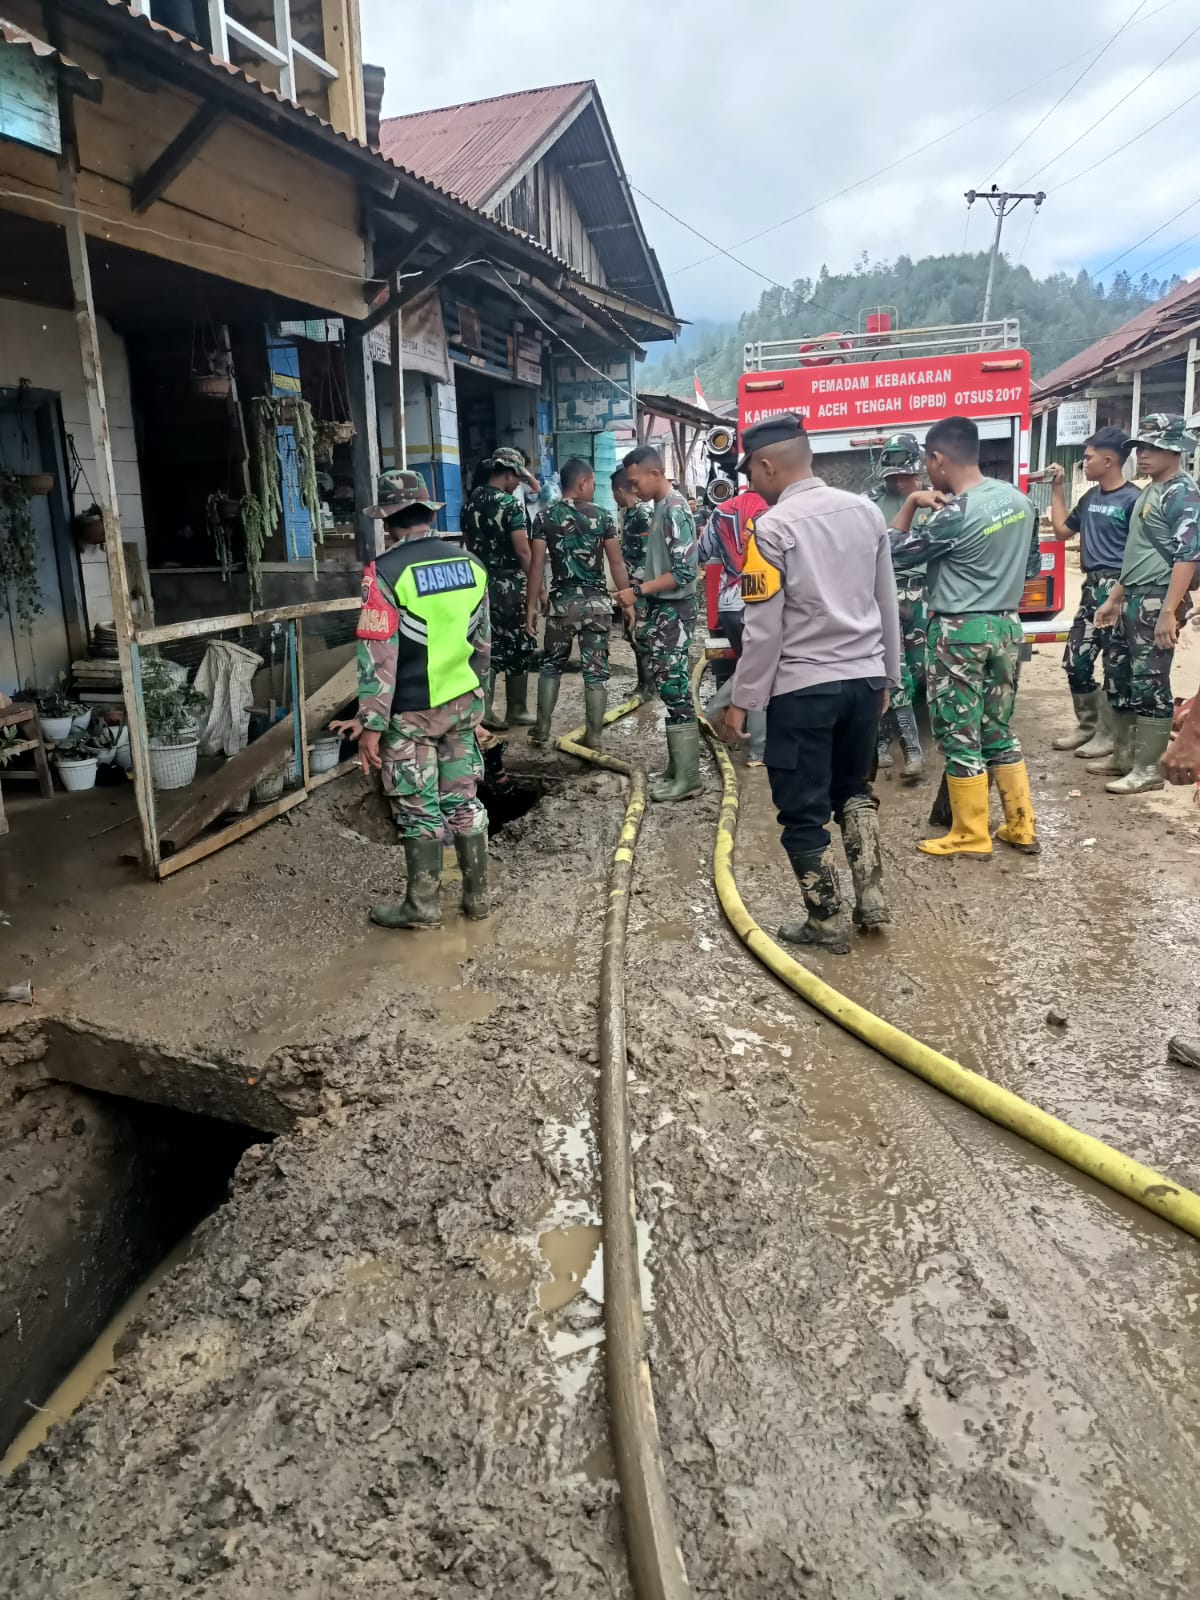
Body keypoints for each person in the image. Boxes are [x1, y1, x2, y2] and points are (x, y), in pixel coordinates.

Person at [725, 414, 902, 953]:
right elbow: (885, 600)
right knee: (854, 791)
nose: (752, 484)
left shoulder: (773, 528)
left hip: (803, 690)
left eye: (752, 474)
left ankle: (826, 921)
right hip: (864, 681)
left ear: (767, 464)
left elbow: (763, 627)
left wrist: (743, 700)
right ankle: (870, 897)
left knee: (802, 809)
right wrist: (887, 674)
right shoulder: (866, 511)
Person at [333, 470, 490, 931]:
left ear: (388, 520)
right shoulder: (471, 565)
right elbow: (483, 645)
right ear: (426, 512)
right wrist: (478, 705)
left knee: (418, 808)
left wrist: (371, 726)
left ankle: (422, 908)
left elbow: (378, 657)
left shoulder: (384, 573)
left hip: (411, 713)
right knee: (463, 801)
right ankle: (477, 899)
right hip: (462, 703)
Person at [889, 415, 1041, 857]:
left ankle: (971, 833)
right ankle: (1020, 826)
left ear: (937, 459)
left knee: (958, 733)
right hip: (1007, 628)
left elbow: (891, 553)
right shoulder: (1019, 501)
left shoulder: (955, 512)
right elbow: (1031, 568)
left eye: (926, 462)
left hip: (960, 631)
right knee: (998, 730)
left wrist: (912, 505)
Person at [1091, 415, 1200, 794]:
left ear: (1175, 450)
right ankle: (1124, 756)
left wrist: (1169, 611)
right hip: (1135, 593)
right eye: (1141, 447)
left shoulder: (1182, 494)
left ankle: (1149, 769)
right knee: (1123, 673)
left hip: (1158, 596)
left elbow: (1188, 555)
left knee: (1151, 680)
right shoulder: (1151, 491)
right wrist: (1113, 599)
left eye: (1154, 447)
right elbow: (1136, 555)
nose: (1144, 454)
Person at [525, 457, 631, 750]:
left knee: (550, 666)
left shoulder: (545, 517)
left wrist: (531, 606)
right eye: (594, 483)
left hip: (562, 607)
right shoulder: (604, 517)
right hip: (597, 606)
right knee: (595, 671)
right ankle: (594, 736)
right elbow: (617, 562)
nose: (595, 489)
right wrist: (628, 600)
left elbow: (536, 568)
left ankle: (542, 729)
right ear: (582, 483)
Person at [615, 445, 702, 801]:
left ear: (655, 473)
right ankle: (677, 768)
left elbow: (684, 571)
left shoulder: (675, 510)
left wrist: (639, 591)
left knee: (675, 686)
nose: (633, 489)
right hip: (662, 608)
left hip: (674, 607)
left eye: (636, 482)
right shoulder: (660, 509)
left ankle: (690, 778)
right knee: (668, 684)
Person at [1045, 427, 1138, 756]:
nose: (1084, 462)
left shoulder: (1134, 501)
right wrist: (1057, 489)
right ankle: (1087, 726)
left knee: (1116, 666)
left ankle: (1109, 735)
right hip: (1091, 587)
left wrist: (1119, 596)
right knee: (1076, 660)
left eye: (1088, 457)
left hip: (1119, 587)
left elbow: (1138, 556)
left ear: (1109, 460)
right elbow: (1060, 532)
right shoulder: (1089, 498)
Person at [460, 445, 540, 730]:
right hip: (509, 583)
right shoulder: (509, 505)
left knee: (485, 644)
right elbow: (524, 552)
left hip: (479, 584)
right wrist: (537, 587)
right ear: (506, 473)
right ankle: (517, 708)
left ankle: (486, 710)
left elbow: (469, 546)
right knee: (518, 642)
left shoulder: (469, 503)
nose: (518, 482)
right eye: (516, 476)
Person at [868, 432, 927, 780]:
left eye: (902, 474)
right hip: (887, 593)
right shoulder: (872, 504)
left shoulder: (933, 501)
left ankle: (892, 733)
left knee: (918, 671)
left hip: (923, 595)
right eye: (891, 475)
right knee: (891, 670)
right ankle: (902, 748)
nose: (896, 480)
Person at [697, 488, 768, 764]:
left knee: (752, 667)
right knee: (760, 670)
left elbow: (703, 553)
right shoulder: (770, 509)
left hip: (727, 603)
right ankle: (756, 751)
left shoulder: (720, 511)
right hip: (758, 599)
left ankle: (715, 713)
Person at [611, 467, 655, 696]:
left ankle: (649, 686)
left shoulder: (642, 514)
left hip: (641, 585)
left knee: (641, 634)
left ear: (620, 490)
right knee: (632, 633)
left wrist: (635, 585)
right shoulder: (628, 514)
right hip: (631, 583)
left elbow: (648, 553)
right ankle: (644, 684)